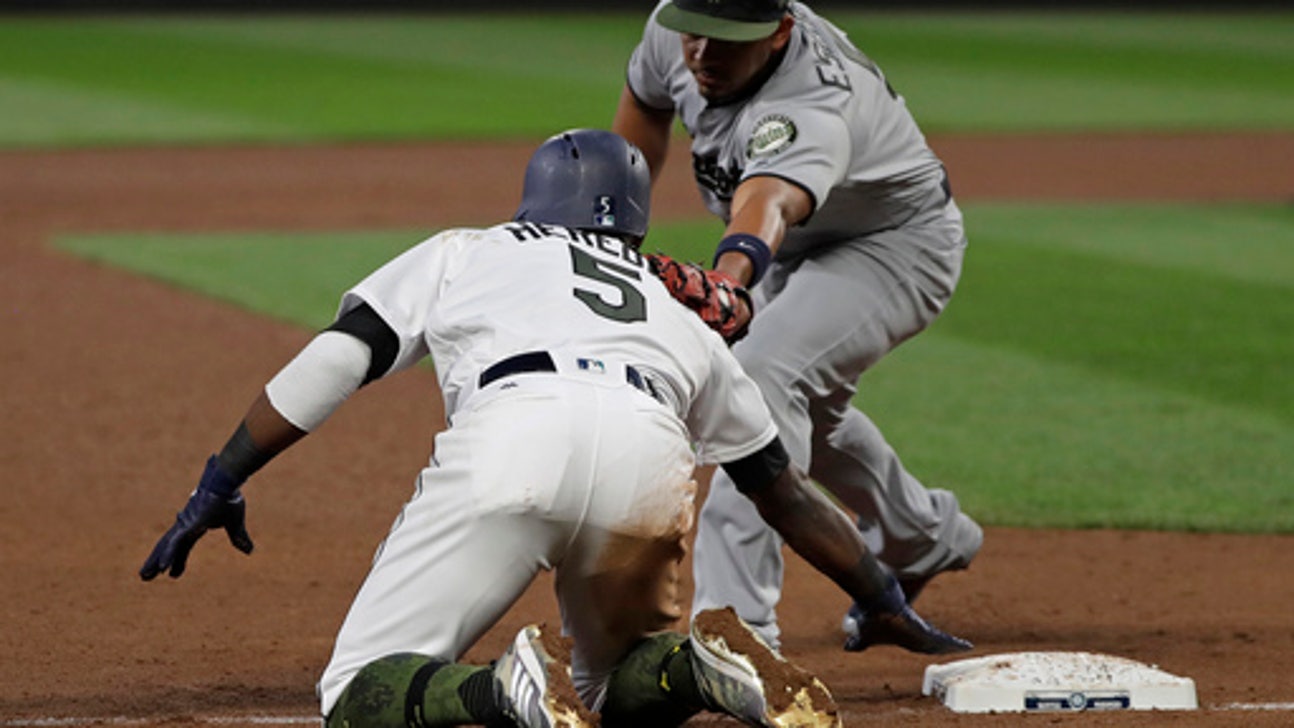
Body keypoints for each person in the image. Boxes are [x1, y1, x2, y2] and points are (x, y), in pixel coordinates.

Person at [138, 129, 969, 728]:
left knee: (357, 691)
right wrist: (881, 594)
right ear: (634, 227)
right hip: (650, 467)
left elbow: (337, 360)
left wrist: (223, 477)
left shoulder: (471, 249)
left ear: (531, 202)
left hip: (516, 443)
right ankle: (700, 665)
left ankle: (499, 691)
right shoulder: (673, 313)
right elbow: (783, 493)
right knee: (616, 687)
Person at [611, 0, 984, 652]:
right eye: (694, 34)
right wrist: (614, 231)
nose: (700, 52)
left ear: (780, 31)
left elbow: (768, 203)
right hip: (806, 243)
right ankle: (920, 535)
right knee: (807, 414)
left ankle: (738, 636)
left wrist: (728, 284)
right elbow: (645, 103)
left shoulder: (810, 103)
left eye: (726, 40)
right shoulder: (677, 30)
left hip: (895, 243)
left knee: (753, 384)